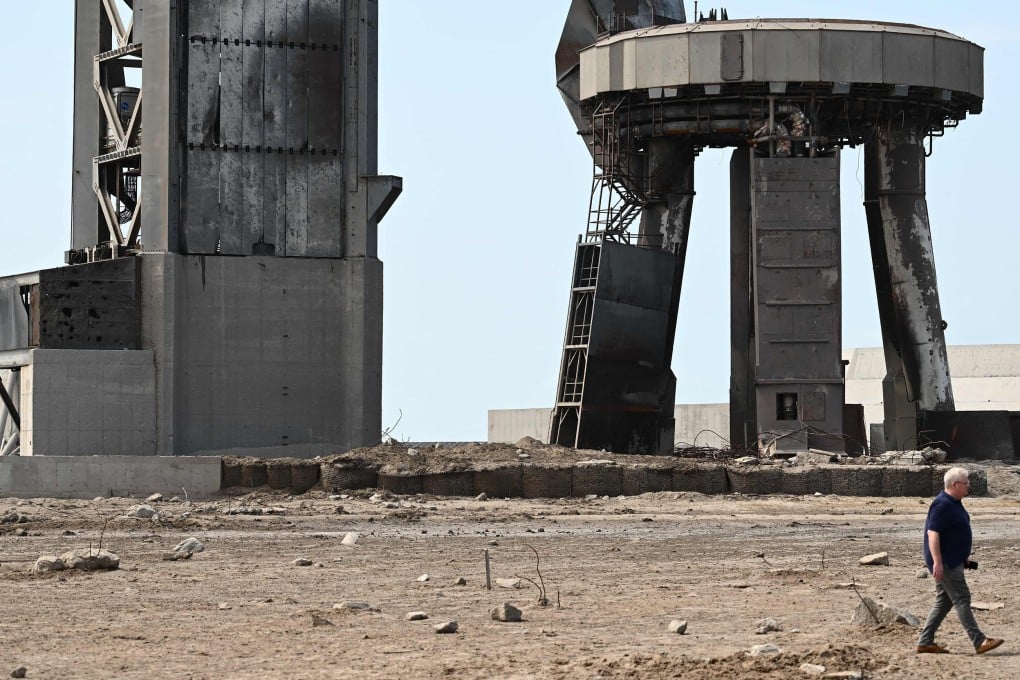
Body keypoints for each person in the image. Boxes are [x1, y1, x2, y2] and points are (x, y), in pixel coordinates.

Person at [916, 467, 1003, 655]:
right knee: (962, 599)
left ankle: (925, 642)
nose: (969, 486)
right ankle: (979, 641)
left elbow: (953, 533)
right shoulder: (942, 504)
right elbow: (933, 534)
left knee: (944, 602)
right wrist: (938, 562)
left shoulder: (954, 502)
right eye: (966, 483)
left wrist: (963, 558)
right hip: (946, 564)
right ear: (955, 485)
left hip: (952, 561)